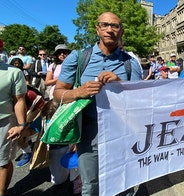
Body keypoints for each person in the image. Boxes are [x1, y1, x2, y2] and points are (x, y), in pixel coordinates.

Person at [53, 12, 142, 195]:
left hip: (121, 133)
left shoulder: (131, 64)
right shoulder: (78, 58)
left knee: (122, 183)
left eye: (115, 26)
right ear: (97, 29)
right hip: (88, 133)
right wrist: (79, 92)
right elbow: (57, 94)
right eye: (105, 25)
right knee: (90, 185)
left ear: (121, 31)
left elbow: (140, 101)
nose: (110, 30)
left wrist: (120, 85)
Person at [0, 60, 27, 195]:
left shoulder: (14, 72)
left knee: (2, 162)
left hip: (4, 123)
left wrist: (21, 125)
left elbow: (19, 100)